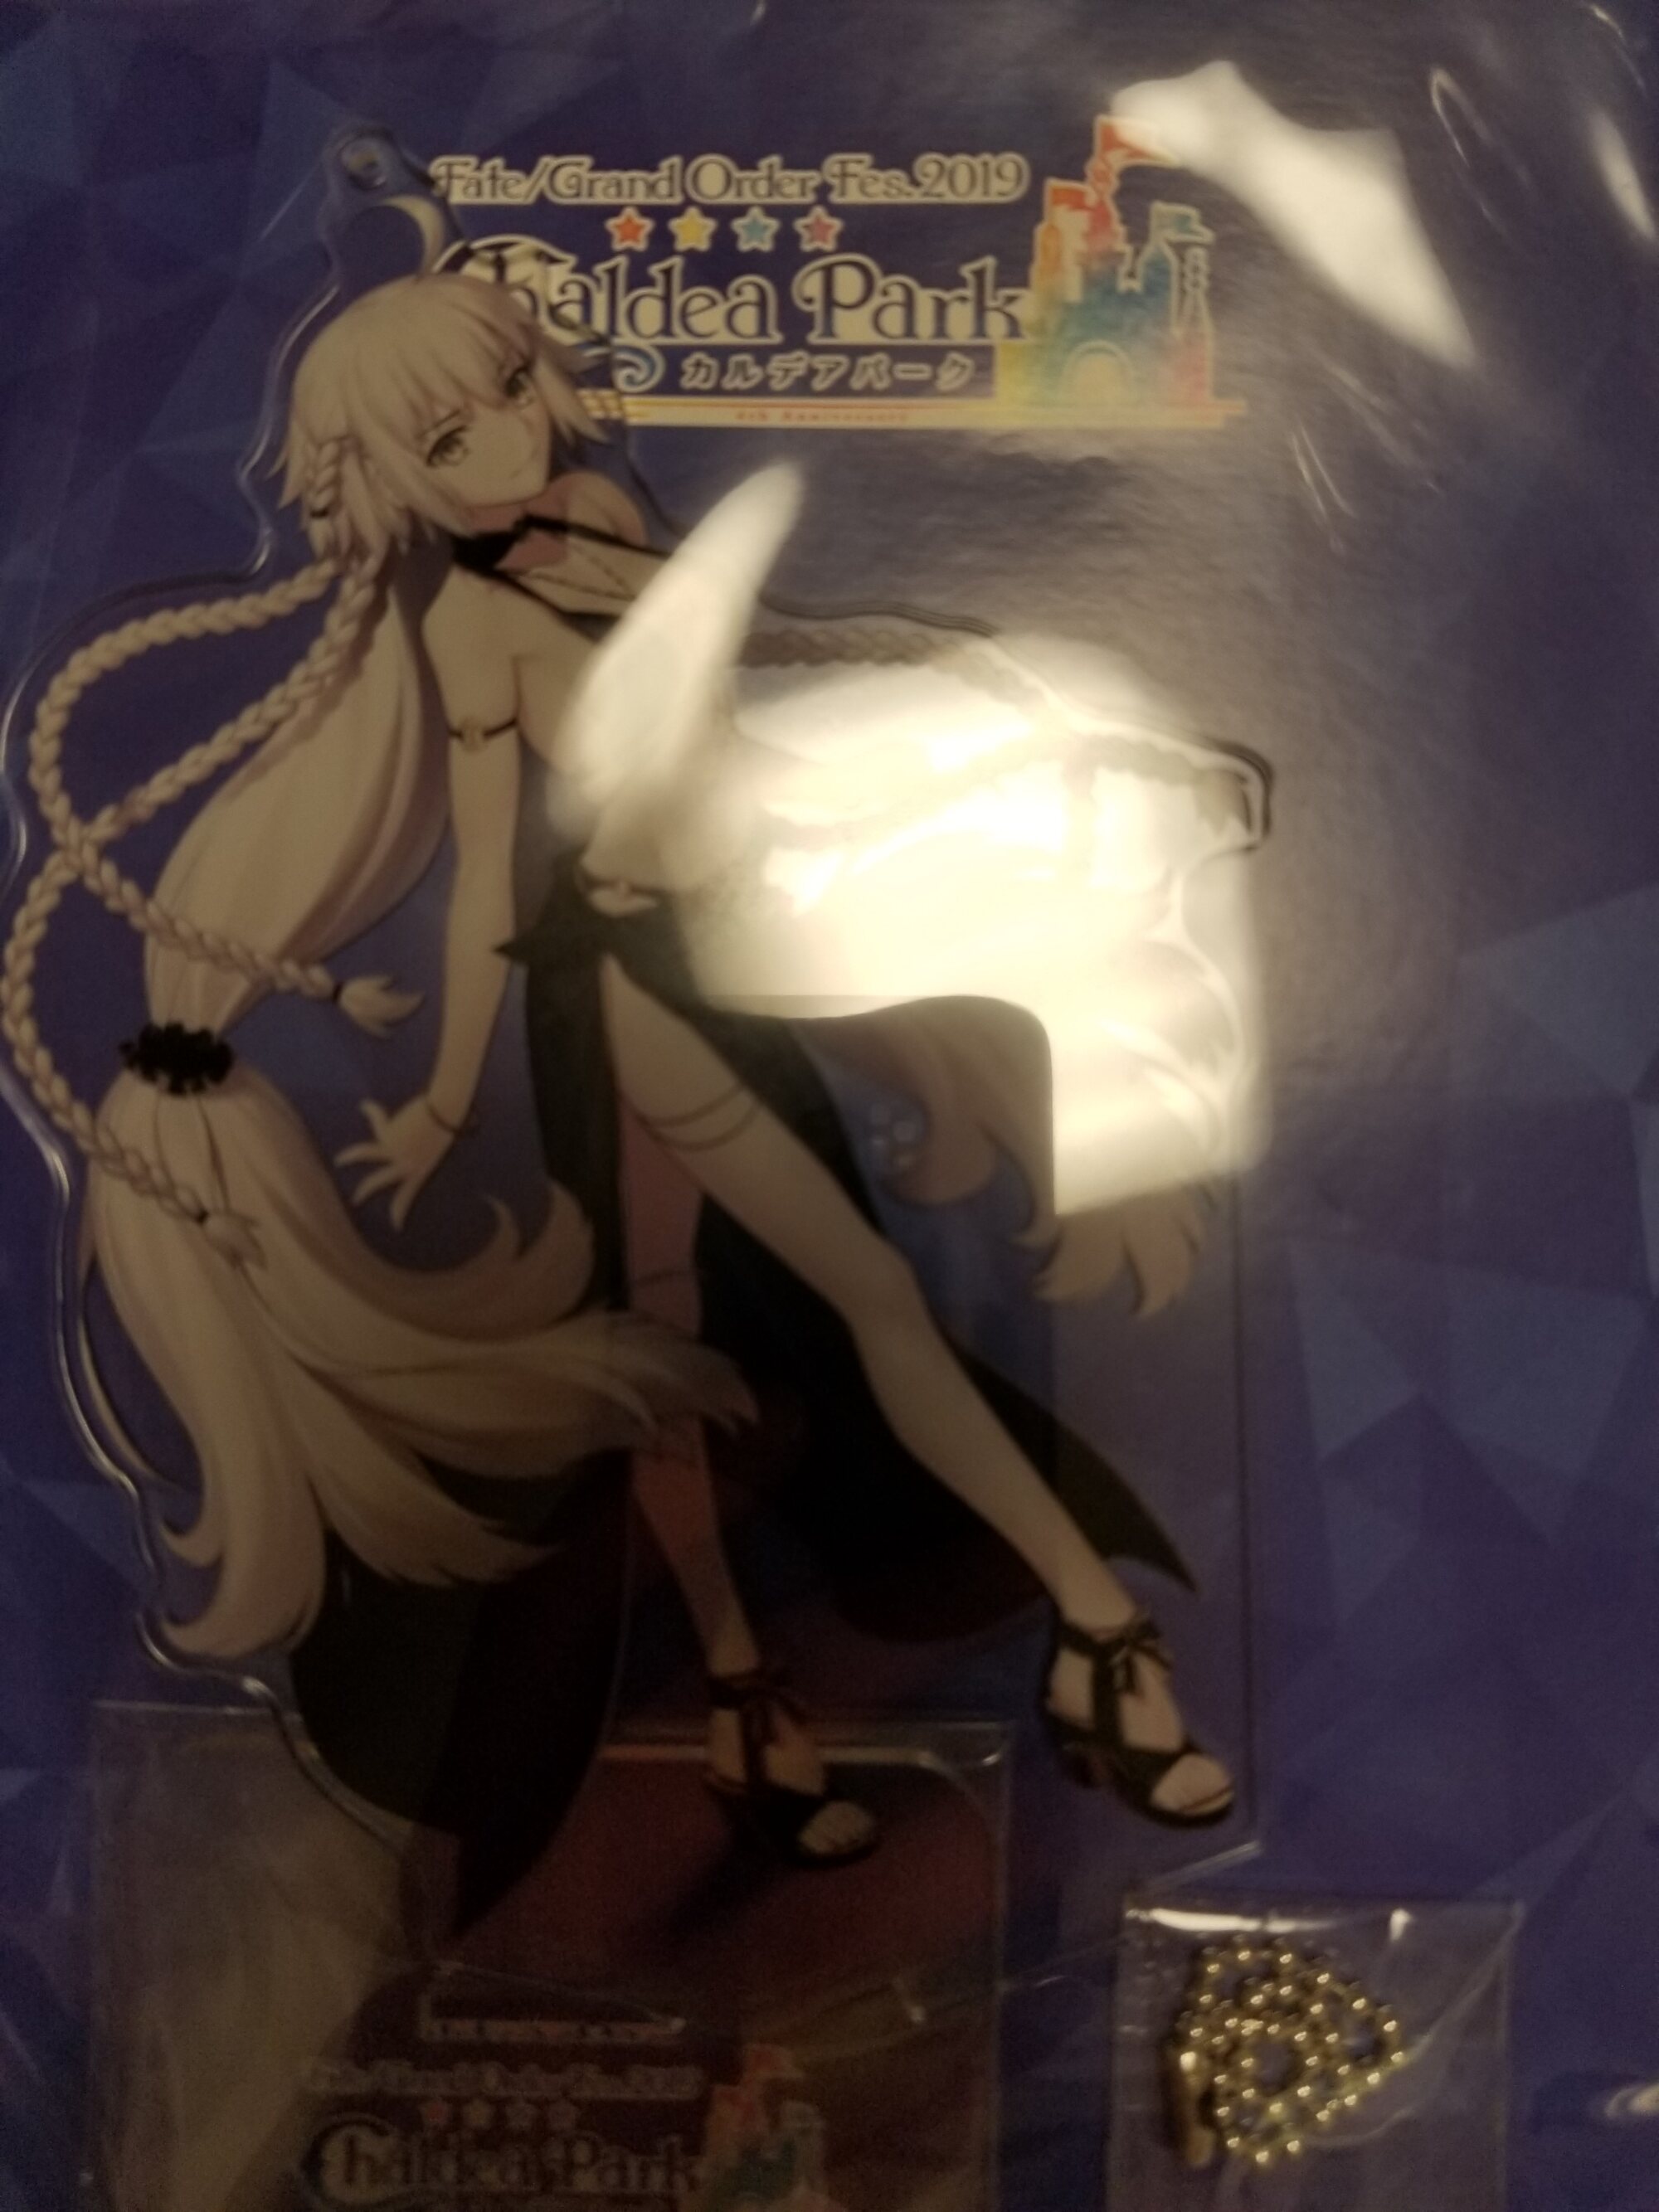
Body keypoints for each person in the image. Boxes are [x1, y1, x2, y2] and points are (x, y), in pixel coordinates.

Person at [2, 269, 1263, 1894]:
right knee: (871, 1292)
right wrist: (444, 1098)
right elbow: (486, 880)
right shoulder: (468, 626)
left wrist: (1075, 741)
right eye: (446, 436)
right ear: (385, 482)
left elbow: (787, 667)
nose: (504, 438)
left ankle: (743, 1695)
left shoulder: (595, 523)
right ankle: (1094, 1629)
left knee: (674, 1341)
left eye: (507, 388)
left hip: (728, 962)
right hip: (626, 998)